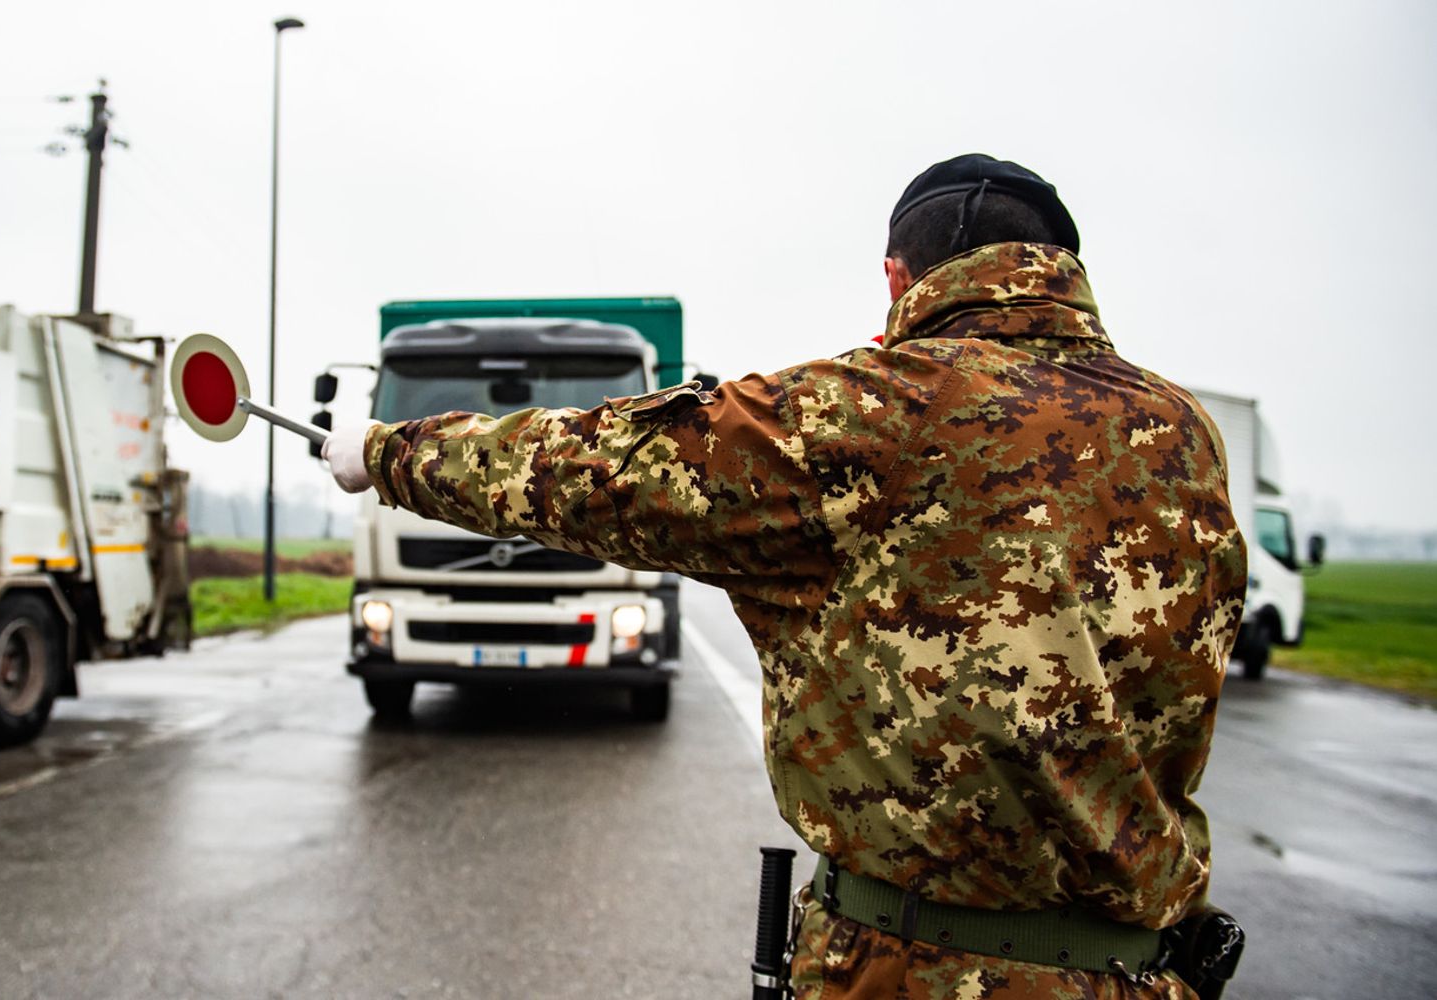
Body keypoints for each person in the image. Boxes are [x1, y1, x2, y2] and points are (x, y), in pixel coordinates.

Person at [322, 153, 1247, 999]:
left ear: (898, 276)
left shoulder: (871, 413)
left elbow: (598, 468)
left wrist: (385, 453)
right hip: (1142, 972)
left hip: (917, 972)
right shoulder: (1185, 433)